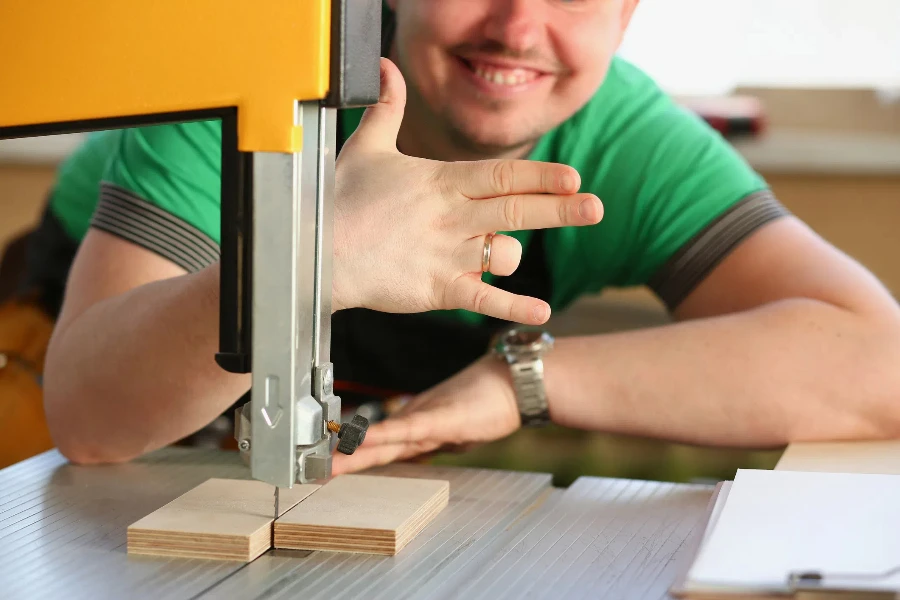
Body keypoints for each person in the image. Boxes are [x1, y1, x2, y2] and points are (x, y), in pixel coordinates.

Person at [14, 0, 900, 470]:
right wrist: (309, 262)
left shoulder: (624, 140)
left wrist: (523, 382)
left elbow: (877, 364)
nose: (517, 28)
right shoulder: (245, 76)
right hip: (46, 360)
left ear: (627, 15)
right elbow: (90, 423)